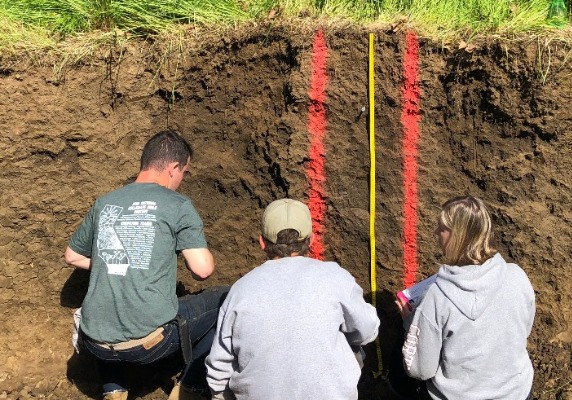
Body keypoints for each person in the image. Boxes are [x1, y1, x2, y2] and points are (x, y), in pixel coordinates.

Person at [65, 130, 229, 400]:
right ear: (174, 168)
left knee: (110, 305)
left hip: (94, 343)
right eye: (184, 173)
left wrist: (118, 260)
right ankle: (192, 386)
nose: (182, 181)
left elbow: (72, 256)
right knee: (226, 299)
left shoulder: (105, 203)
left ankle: (113, 389)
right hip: (150, 347)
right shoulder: (177, 204)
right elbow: (202, 270)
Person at [205, 198, 380, 400]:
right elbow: (367, 330)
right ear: (311, 240)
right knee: (353, 342)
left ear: (262, 242)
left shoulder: (240, 290)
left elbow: (219, 369)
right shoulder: (335, 276)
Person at [392, 195, 535, 400]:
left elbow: (421, 370)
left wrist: (410, 324)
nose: (435, 233)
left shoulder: (437, 298)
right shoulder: (517, 276)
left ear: (456, 236)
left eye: (441, 228)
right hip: (516, 393)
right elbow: (525, 329)